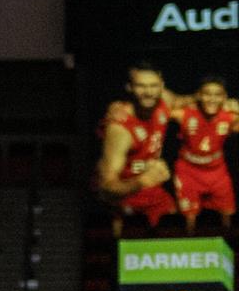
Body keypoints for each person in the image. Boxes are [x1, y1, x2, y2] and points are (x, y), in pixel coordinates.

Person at [97, 62, 181, 233]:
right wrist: (142, 181)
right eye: (141, 86)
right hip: (124, 195)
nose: (148, 92)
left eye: (153, 86)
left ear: (162, 87)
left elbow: (192, 100)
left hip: (153, 191)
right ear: (130, 88)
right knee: (127, 239)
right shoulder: (120, 129)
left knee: (174, 228)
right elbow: (106, 187)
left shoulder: (165, 101)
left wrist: (228, 104)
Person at [174, 76, 237, 236]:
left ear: (224, 97)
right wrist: (123, 107)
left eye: (217, 95)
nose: (212, 99)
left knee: (227, 211)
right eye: (207, 94)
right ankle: (190, 241)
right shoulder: (184, 114)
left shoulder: (229, 117)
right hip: (188, 170)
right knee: (190, 216)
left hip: (217, 171)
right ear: (199, 95)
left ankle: (228, 240)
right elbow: (157, 108)